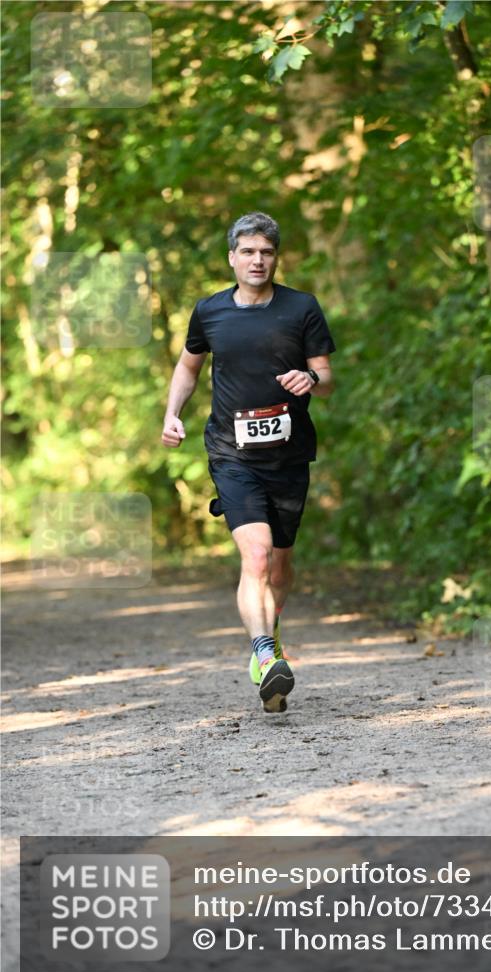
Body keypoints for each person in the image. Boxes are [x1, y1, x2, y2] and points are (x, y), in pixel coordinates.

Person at [161, 212, 335, 713]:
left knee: (280, 566)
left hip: (289, 453)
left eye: (267, 252)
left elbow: (327, 377)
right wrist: (172, 414)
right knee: (254, 557)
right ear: (232, 257)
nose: (258, 260)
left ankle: (270, 634)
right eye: (249, 252)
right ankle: (263, 653)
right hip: (230, 451)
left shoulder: (302, 308)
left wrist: (310, 379)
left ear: (275, 258)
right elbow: (188, 366)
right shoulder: (210, 311)